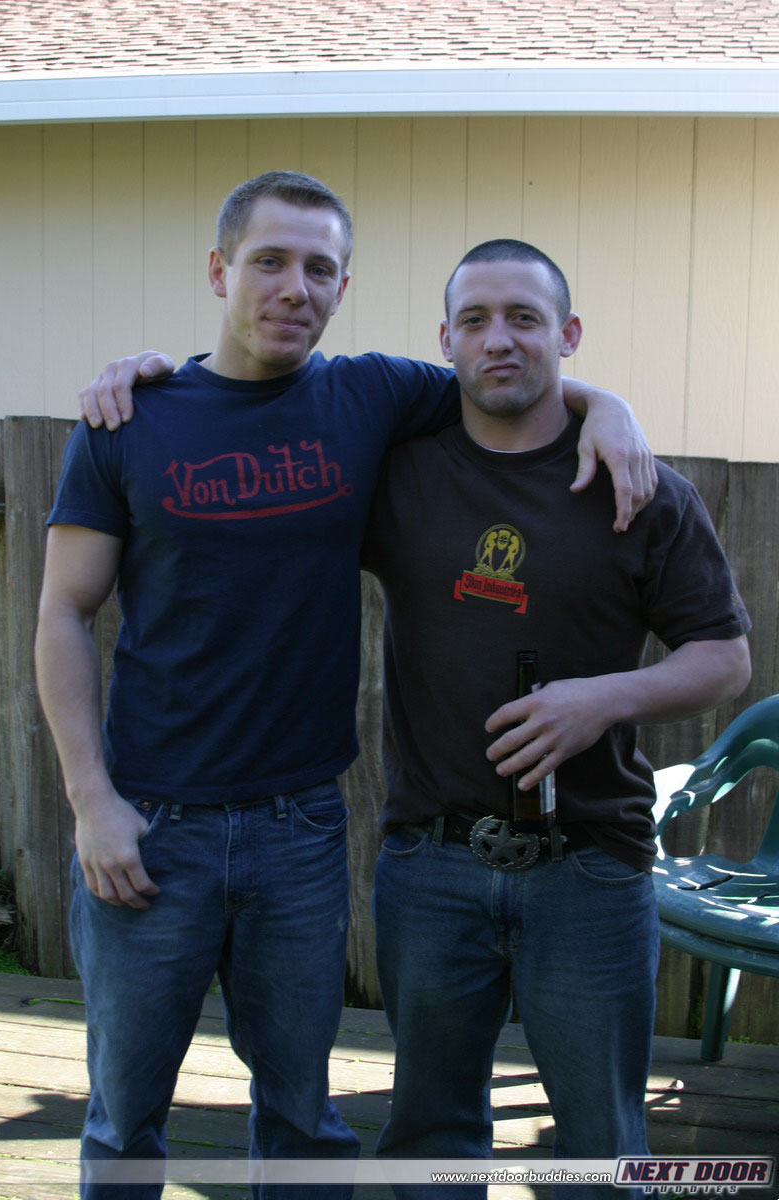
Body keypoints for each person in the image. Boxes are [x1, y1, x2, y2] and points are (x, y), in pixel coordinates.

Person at [36, 170, 654, 1200]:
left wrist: (613, 406)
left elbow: (505, 373)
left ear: (342, 287)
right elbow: (63, 612)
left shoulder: (368, 395)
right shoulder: (129, 420)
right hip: (149, 827)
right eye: (269, 261)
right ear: (219, 270)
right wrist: (90, 801)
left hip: (300, 832)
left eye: (319, 268)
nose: (294, 286)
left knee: (301, 1117)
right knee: (123, 1119)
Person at [360, 238, 752, 1199]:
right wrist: (149, 376)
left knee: (600, 1150)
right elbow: (267, 411)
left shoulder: (637, 487)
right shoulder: (396, 474)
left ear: (568, 333)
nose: (499, 339)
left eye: (525, 318)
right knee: (430, 1142)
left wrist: (601, 699)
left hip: (590, 868)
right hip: (432, 864)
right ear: (445, 340)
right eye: (476, 320)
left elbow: (725, 657)